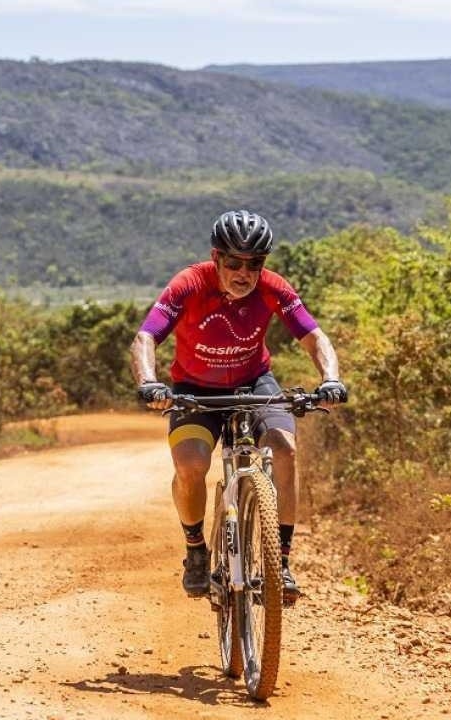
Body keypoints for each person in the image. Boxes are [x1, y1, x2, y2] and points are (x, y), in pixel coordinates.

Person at [129, 209, 348, 603]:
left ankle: (280, 561)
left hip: (255, 383)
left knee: (285, 449)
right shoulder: (189, 284)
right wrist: (149, 383)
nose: (244, 272)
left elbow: (315, 338)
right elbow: (146, 338)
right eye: (233, 262)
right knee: (191, 463)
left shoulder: (273, 287)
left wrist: (330, 378)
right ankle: (196, 549)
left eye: (254, 263)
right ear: (216, 258)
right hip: (195, 390)